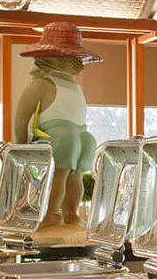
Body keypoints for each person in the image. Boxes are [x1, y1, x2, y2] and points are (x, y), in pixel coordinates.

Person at [12, 22, 100, 226]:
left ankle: (51, 212)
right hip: (84, 138)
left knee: (57, 176)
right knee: (75, 177)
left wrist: (21, 147)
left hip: (60, 136)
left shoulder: (41, 85)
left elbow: (20, 121)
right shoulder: (75, 88)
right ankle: (71, 213)